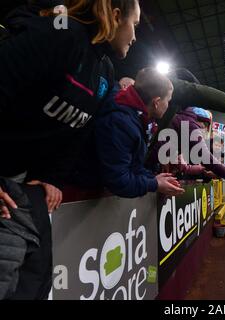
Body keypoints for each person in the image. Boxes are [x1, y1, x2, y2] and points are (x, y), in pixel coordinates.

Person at [0, 0, 142, 299]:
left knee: (36, 282)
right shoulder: (59, 35)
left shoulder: (104, 70)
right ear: (116, 17)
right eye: (135, 25)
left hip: (25, 189)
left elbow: (78, 131)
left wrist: (52, 175)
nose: (135, 36)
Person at [91, 67, 185, 198]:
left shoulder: (139, 118)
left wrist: (154, 178)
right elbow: (118, 181)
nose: (168, 105)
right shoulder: (122, 123)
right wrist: (154, 184)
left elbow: (133, 165)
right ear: (157, 102)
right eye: (168, 100)